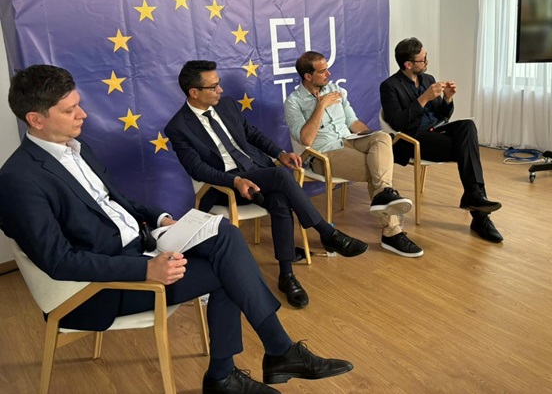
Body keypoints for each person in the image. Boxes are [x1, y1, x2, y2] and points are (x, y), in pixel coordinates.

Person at [0, 65, 354, 394]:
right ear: (36, 119)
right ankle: (243, 367)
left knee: (225, 234)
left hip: (140, 245)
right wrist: (144, 269)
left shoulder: (78, 148)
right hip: (98, 287)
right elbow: (59, 261)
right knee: (228, 270)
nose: (83, 115)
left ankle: (267, 356)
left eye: (79, 105)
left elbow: (118, 201)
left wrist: (160, 219)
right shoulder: (18, 180)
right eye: (70, 110)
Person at [165, 60, 368, 310]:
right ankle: (327, 232)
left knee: (280, 200)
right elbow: (197, 169)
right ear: (194, 92)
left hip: (256, 172)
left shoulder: (226, 105)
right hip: (224, 186)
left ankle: (287, 275)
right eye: (214, 87)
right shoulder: (178, 127)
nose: (220, 90)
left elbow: (252, 134)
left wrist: (280, 153)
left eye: (219, 84)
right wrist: (235, 180)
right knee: (281, 177)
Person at [284, 51, 423, 258]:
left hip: (350, 140)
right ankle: (392, 232)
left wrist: (374, 142)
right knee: (376, 170)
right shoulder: (293, 102)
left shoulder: (335, 90)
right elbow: (306, 139)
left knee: (382, 137)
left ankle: (384, 193)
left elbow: (353, 122)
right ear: (308, 76)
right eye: (323, 71)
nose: (329, 74)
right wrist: (321, 106)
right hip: (324, 153)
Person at [379, 37, 504, 243]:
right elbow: (398, 122)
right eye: (422, 59)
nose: (426, 62)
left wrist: (447, 98)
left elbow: (442, 116)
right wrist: (423, 99)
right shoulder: (389, 86)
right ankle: (480, 216)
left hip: (435, 131)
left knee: (468, 126)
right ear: (408, 64)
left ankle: (474, 197)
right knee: (467, 150)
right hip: (412, 138)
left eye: (426, 57)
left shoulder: (428, 79)